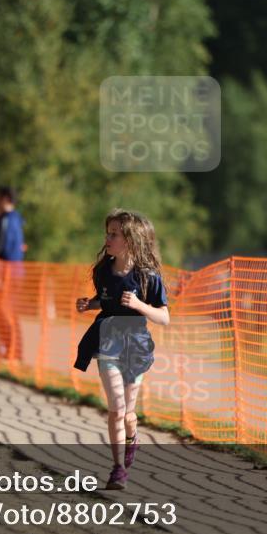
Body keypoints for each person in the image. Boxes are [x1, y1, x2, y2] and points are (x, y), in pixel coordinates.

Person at [74, 209, 170, 490]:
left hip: (136, 347)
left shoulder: (148, 277)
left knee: (128, 413)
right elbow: (107, 300)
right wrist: (89, 305)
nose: (108, 238)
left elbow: (164, 317)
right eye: (108, 232)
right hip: (107, 342)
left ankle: (132, 436)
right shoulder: (102, 271)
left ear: (130, 239)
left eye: (114, 234)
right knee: (115, 408)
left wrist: (140, 305)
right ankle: (118, 469)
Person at [0, 186, 26, 360]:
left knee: (7, 311)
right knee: (2, 311)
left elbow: (3, 249)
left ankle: (15, 351)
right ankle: (8, 348)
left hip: (9, 273)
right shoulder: (8, 219)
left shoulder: (9, 220)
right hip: (8, 272)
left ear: (5, 199)